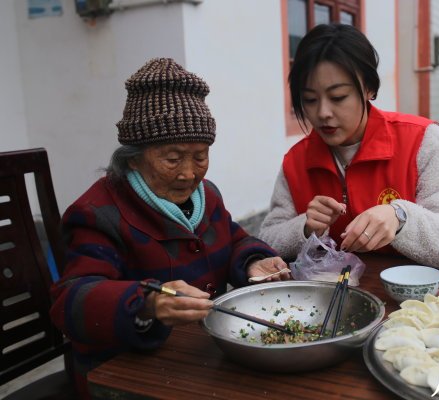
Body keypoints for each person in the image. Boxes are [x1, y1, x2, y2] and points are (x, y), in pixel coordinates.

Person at [50, 58, 290, 398]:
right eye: (173, 158)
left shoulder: (206, 195)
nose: (188, 173)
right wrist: (147, 303)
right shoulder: (98, 214)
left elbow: (234, 238)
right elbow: (70, 299)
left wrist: (254, 260)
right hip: (127, 371)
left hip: (197, 354)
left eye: (201, 155)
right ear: (133, 157)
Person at [258, 24, 439, 270]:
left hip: (427, 299)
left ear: (369, 88)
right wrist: (306, 227)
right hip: (340, 296)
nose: (323, 113)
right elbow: (267, 239)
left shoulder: (425, 141)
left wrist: (401, 218)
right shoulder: (297, 161)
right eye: (310, 99)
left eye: (338, 97)